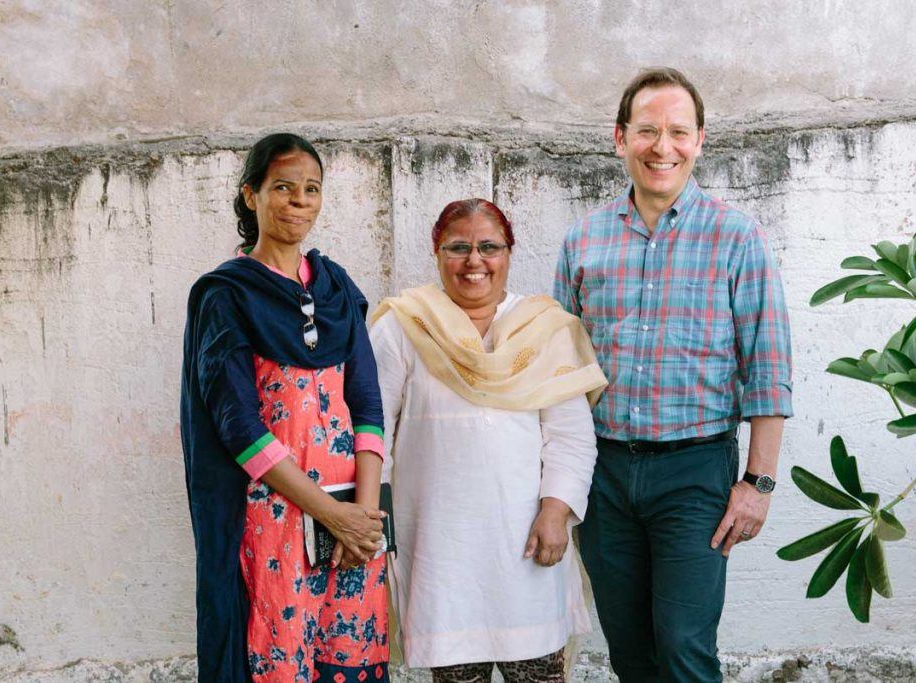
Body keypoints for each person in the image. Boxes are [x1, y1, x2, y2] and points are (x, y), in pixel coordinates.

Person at [553, 68, 793, 682]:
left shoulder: (738, 238)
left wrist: (758, 484)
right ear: (619, 138)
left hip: (695, 475)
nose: (663, 147)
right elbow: (559, 372)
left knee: (685, 647)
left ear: (700, 141)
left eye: (678, 132)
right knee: (629, 652)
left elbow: (767, 366)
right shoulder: (583, 242)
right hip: (603, 475)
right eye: (648, 130)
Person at [369, 199, 607, 683]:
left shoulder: (544, 328)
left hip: (528, 542)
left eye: (488, 247)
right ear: (437, 254)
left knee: (538, 673)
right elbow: (373, 429)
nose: (474, 260)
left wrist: (556, 511)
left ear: (508, 254)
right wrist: (376, 520)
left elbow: (571, 438)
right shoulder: (404, 325)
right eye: (458, 247)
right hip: (440, 548)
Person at [180, 133, 390, 683]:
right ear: (251, 195)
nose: (299, 201)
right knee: (281, 658)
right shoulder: (227, 295)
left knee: (350, 653)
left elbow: (366, 399)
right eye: (283, 187)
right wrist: (330, 513)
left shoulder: (336, 287)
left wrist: (362, 518)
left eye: (311, 189)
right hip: (278, 515)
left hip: (353, 520)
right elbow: (238, 427)